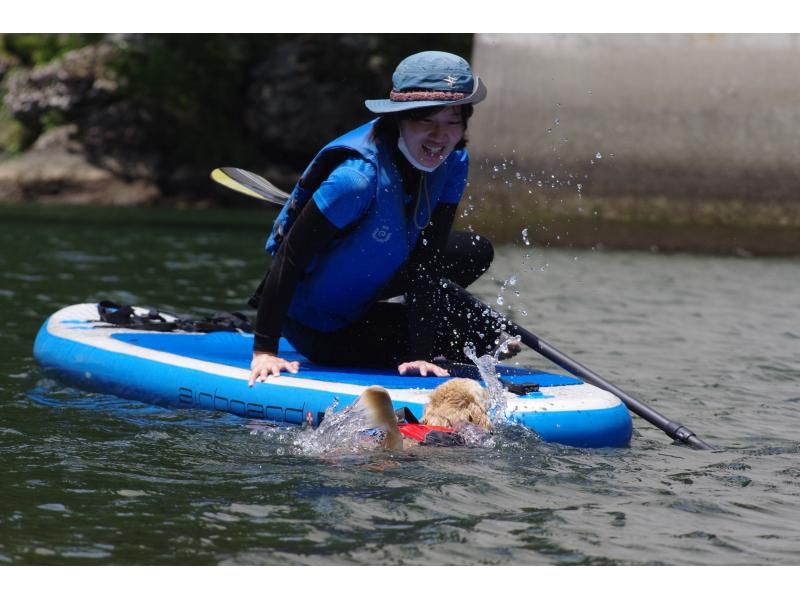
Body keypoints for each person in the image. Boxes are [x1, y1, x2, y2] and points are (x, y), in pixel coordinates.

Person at [249, 50, 509, 386]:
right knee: (466, 335)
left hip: (366, 292)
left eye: (452, 121)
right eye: (425, 120)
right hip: (318, 322)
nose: (439, 136)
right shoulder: (354, 180)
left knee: (477, 276)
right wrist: (265, 350)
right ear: (399, 118)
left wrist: (422, 355)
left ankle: (415, 333)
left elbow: (427, 262)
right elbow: (288, 260)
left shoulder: (455, 161)